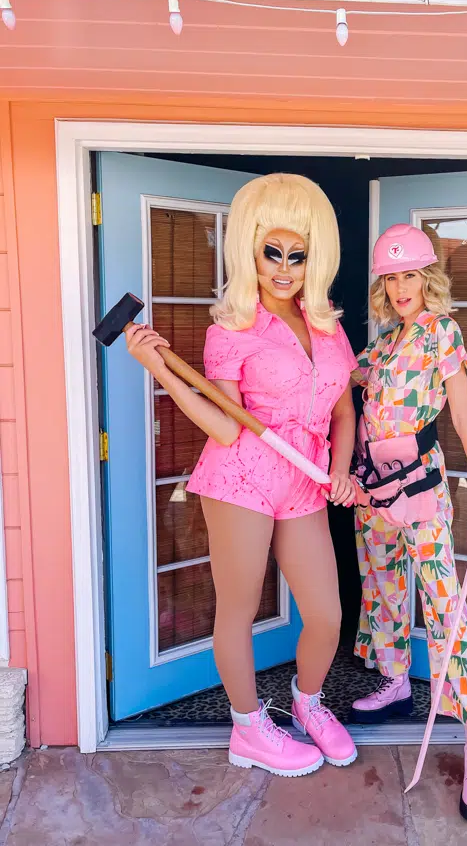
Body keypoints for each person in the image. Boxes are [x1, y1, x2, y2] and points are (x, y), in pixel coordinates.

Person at [124, 173, 358, 776]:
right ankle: (250, 729)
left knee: (327, 611)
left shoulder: (330, 329)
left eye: (297, 255)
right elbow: (225, 426)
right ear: (251, 251)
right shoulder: (232, 329)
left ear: (316, 259)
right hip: (242, 477)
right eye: (271, 252)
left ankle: (307, 704)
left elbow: (342, 409)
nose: (284, 268)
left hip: (303, 478)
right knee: (240, 607)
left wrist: (338, 469)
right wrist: (159, 366)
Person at [350, 224, 467, 823]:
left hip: (419, 490)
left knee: (443, 607)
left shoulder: (442, 333)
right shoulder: (382, 345)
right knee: (384, 588)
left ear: (427, 279)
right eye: (390, 278)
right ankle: (394, 681)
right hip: (372, 492)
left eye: (409, 275)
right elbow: (341, 395)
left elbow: (462, 421)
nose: (399, 288)